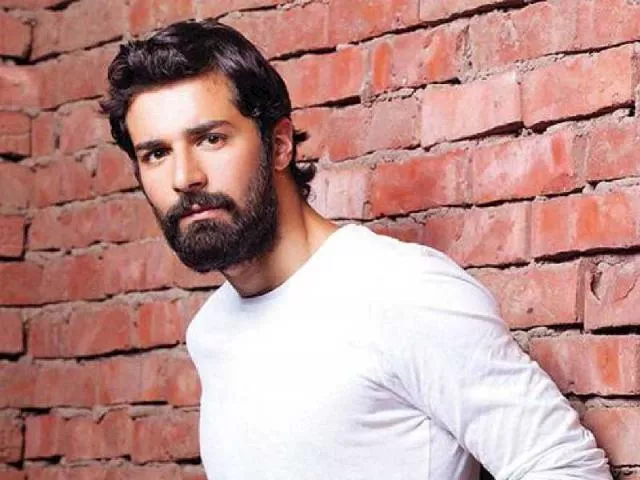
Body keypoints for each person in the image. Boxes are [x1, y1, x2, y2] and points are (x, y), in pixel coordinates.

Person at [101, 19, 612, 480]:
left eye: (211, 139)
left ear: (279, 145)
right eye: (156, 153)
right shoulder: (211, 331)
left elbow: (564, 466)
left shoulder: (399, 289)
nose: (184, 177)